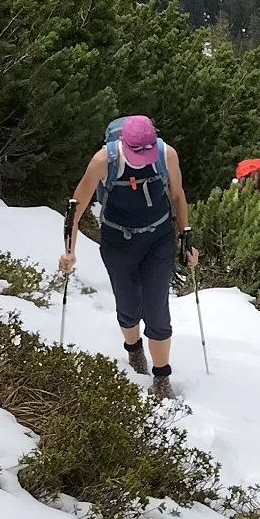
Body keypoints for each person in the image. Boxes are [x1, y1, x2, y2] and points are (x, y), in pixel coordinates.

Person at [60, 115, 195, 400]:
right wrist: (69, 251)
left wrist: (186, 239)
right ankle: (134, 352)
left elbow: (178, 195)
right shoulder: (103, 161)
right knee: (128, 302)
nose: (144, 157)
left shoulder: (165, 153)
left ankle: (161, 378)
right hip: (118, 240)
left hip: (157, 239)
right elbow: (76, 205)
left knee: (157, 308)